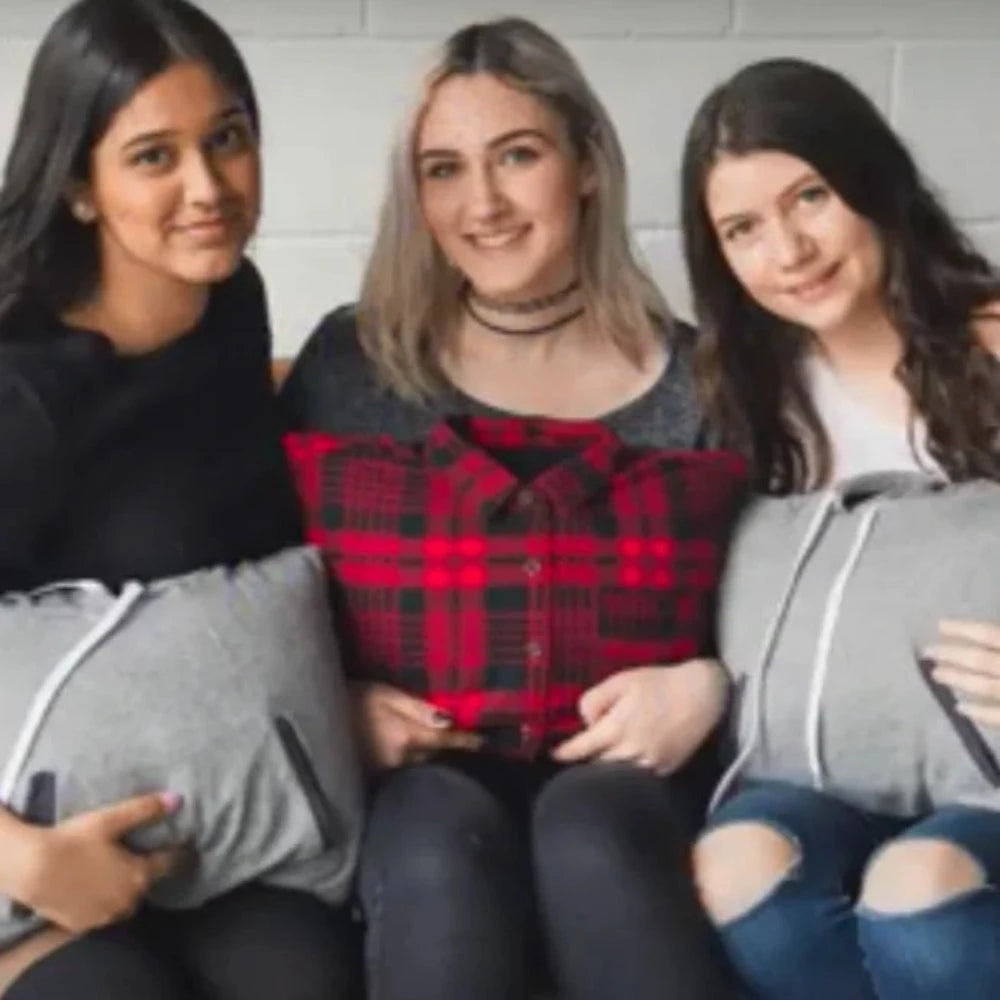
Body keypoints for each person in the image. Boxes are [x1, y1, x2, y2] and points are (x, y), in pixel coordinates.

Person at [281, 16, 741, 1000]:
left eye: (518, 156)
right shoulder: (353, 365)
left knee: (589, 827)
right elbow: (262, 582)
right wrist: (329, 703)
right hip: (419, 785)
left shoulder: (702, 380)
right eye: (444, 170)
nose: (481, 203)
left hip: (632, 785)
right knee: (438, 842)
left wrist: (709, 685)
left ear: (587, 165)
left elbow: (784, 599)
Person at [0, 1, 359, 998]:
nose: (208, 188)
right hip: (47, 860)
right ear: (80, 187)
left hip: (225, 829)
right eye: (154, 156)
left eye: (227, 139)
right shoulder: (22, 395)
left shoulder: (231, 304)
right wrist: (22, 860)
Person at [680, 57, 1000, 999]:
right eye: (743, 229)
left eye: (809, 197)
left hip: (983, 790)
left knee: (918, 889)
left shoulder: (991, 339)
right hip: (812, 784)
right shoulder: (743, 394)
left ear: (873, 182)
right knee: (732, 867)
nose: (789, 250)